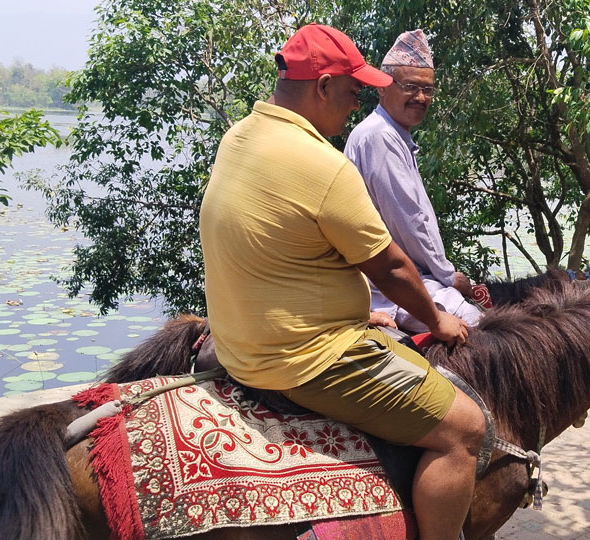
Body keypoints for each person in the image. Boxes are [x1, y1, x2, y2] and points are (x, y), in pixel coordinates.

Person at [199, 24, 485, 540]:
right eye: (354, 92)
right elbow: (394, 268)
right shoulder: (321, 164)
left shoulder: (239, 136)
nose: (357, 104)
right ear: (323, 85)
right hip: (303, 359)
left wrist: (358, 310)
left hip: (241, 342)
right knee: (465, 429)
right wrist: (437, 318)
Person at [345, 29, 483, 333]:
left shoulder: (391, 134)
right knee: (485, 333)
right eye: (410, 87)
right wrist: (448, 275)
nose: (421, 97)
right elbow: (410, 221)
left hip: (408, 278)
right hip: (390, 291)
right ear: (383, 88)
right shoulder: (379, 136)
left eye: (428, 90)